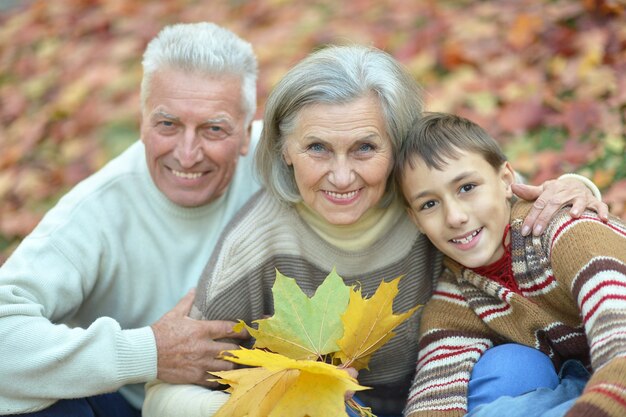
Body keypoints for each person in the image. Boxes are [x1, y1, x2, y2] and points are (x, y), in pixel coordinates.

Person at [142, 44, 608, 417]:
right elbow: (163, 400)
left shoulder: (430, 202)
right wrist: (280, 404)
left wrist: (577, 187)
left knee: (517, 365)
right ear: (283, 149)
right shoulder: (257, 245)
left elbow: (504, 200)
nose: (342, 177)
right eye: (318, 148)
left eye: (365, 148)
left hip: (453, 390)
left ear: (397, 145)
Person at [0, 22, 261, 416]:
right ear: (142, 123)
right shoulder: (96, 211)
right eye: (168, 124)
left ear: (246, 133)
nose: (188, 154)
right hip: (132, 405)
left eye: (214, 129)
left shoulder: (292, 162)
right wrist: (149, 352)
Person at [397, 112, 626, 417]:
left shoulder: (566, 232)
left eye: (466, 187)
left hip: (616, 374)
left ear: (506, 180)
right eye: (429, 204)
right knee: (503, 386)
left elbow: (620, 337)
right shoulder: (457, 293)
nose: (454, 217)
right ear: (415, 219)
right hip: (582, 381)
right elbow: (434, 396)